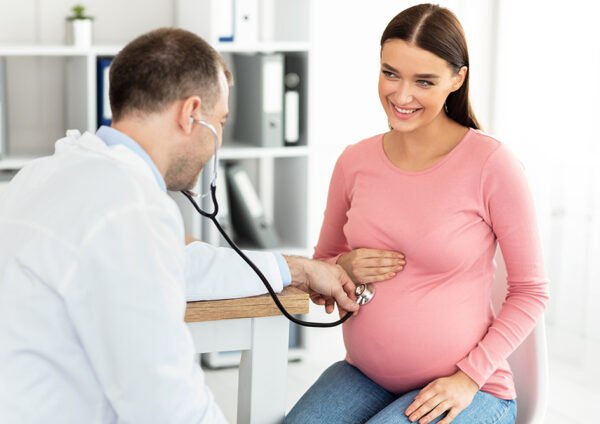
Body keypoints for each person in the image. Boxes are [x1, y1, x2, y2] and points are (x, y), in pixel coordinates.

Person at [0, 28, 359, 423]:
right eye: (219, 121)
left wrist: (297, 268)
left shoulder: (49, 174)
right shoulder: (128, 207)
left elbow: (178, 267)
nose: (218, 139)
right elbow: (166, 401)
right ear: (191, 114)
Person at [285, 4, 549, 424]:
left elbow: (531, 292)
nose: (401, 95)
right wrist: (344, 266)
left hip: (470, 388)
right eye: (391, 73)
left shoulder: (491, 164)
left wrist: (468, 377)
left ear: (457, 79)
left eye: (423, 81)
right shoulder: (354, 162)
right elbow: (323, 268)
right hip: (365, 375)